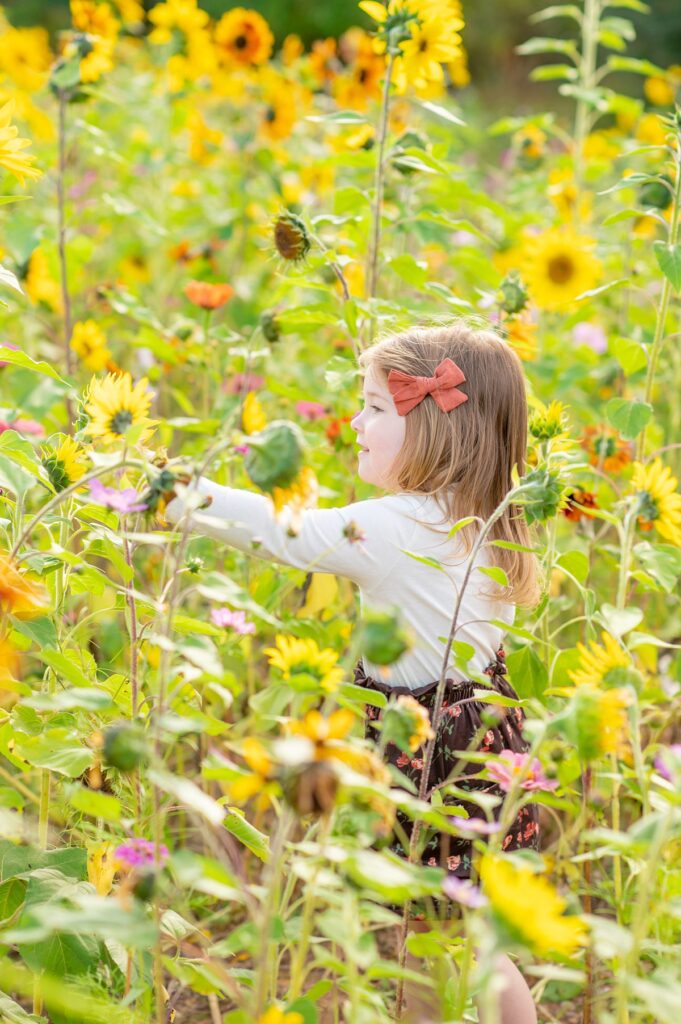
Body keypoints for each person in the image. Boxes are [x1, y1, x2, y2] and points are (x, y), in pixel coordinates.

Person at [163, 321, 541, 1024]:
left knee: (424, 930)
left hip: (423, 758)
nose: (354, 422)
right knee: (456, 927)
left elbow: (291, 533)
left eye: (372, 407)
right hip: (479, 741)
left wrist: (182, 493)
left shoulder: (398, 527)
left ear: (429, 424)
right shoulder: (479, 521)